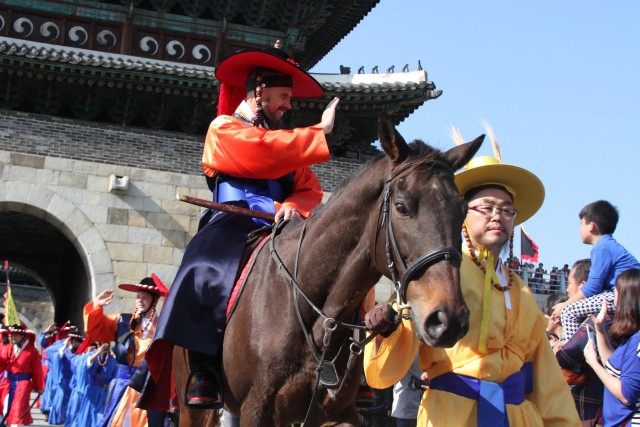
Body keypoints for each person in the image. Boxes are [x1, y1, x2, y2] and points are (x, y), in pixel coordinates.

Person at [139, 43, 339, 410]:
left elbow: (310, 188)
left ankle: (338, 363)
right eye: (283, 96)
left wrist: (293, 205)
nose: (288, 106)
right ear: (259, 91)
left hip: (281, 223)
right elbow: (258, 153)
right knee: (203, 267)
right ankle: (203, 368)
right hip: (233, 218)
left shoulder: (288, 145)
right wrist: (317, 132)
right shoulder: (224, 128)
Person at [363, 130, 581, 426]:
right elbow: (392, 362)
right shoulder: (437, 273)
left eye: (507, 210)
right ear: (463, 213)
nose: (497, 216)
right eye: (487, 208)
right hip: (452, 413)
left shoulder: (520, 290)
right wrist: (386, 333)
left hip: (518, 418)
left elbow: (546, 378)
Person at [83, 275, 167, 427]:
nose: (140, 300)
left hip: (146, 388)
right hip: (122, 384)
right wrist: (96, 305)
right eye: (138, 297)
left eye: (145, 297)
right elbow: (96, 330)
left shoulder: (162, 329)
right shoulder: (123, 321)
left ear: (154, 301)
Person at [553, 200, 640, 340]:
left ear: (591, 226)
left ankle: (572, 356)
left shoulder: (602, 246)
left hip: (624, 295)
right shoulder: (608, 245)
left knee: (569, 312)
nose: (580, 229)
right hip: (626, 293)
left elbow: (593, 286)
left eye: (581, 224)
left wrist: (565, 304)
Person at [555, 259, 611, 427]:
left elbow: (564, 357)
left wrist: (559, 345)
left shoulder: (596, 320)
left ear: (583, 285)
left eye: (570, 282)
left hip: (591, 408)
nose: (568, 289)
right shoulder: (613, 315)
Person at [584, 269, 640, 426]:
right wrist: (600, 329)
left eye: (615, 292)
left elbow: (626, 394)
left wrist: (594, 363)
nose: (612, 297)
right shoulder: (633, 338)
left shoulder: (637, 341)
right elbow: (613, 367)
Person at [0, 324, 44, 426]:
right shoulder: (8, 348)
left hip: (23, 384)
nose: (12, 338)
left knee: (18, 409)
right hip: (7, 382)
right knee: (4, 406)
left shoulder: (32, 351)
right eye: (11, 335)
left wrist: (39, 387)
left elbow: (37, 370)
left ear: (22, 336)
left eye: (15, 335)